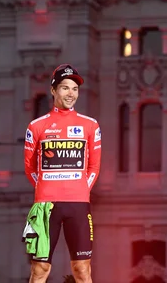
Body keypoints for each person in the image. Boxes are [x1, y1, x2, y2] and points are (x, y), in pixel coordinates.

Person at [22, 64, 102, 283]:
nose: (71, 93)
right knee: (40, 269)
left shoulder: (90, 125)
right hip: (46, 206)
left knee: (82, 270)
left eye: (75, 89)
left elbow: (94, 167)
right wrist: (45, 189)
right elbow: (29, 168)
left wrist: (81, 189)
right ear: (53, 90)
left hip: (78, 204)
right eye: (65, 88)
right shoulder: (36, 126)